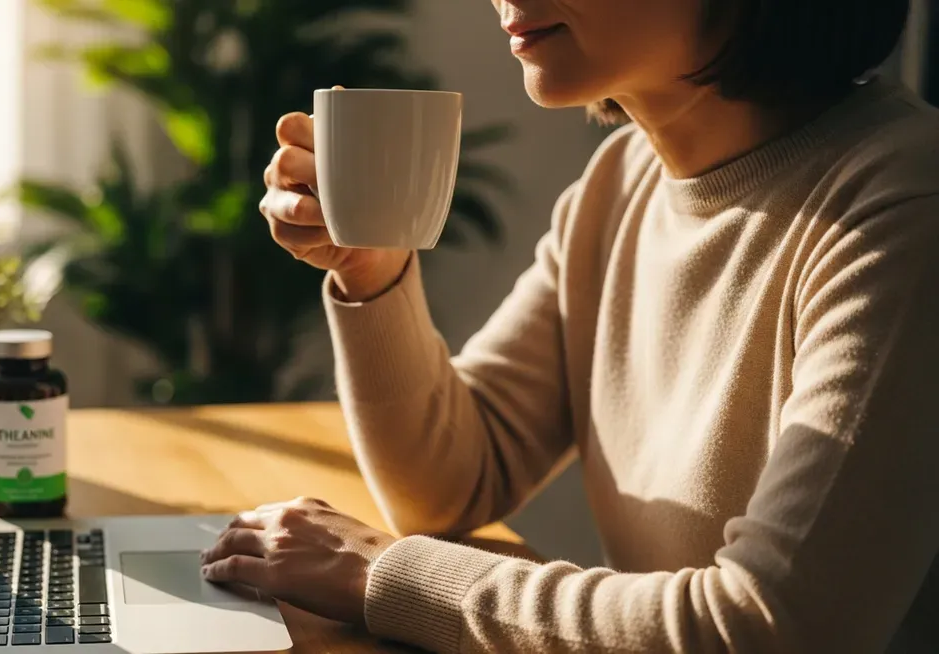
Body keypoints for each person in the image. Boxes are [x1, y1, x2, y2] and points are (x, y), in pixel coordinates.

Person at [201, 0, 939, 651]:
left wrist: (378, 575)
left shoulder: (905, 205)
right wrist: (371, 271)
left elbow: (768, 628)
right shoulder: (622, 184)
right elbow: (451, 483)